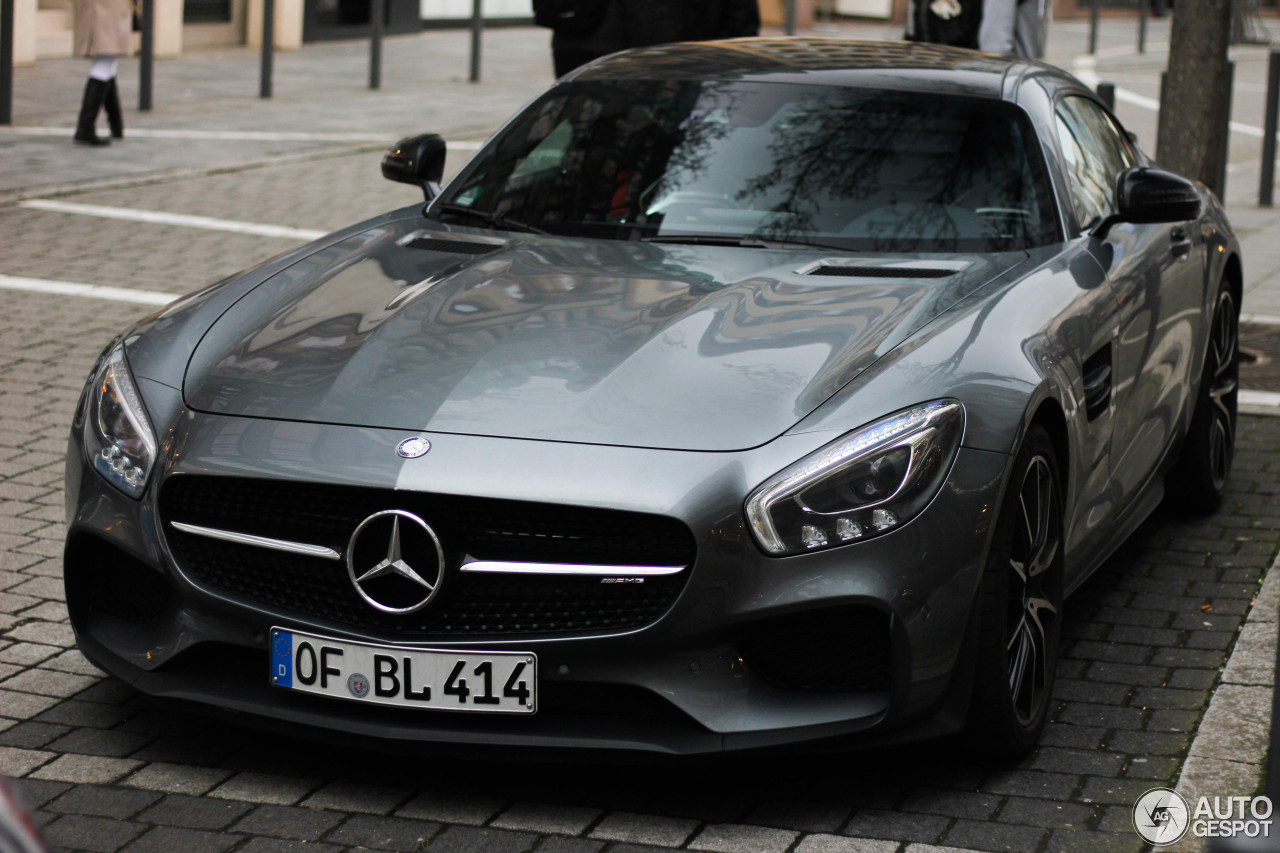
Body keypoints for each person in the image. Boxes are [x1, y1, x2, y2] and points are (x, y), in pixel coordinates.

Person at [72, 0, 131, 146]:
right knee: (105, 59)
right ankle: (85, 128)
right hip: (103, 7)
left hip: (104, 7)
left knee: (107, 61)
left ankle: (116, 125)